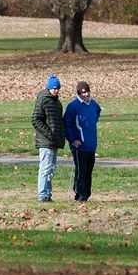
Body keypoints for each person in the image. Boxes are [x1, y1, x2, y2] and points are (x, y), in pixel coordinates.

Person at [63, 80, 101, 202]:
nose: (86, 95)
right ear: (78, 93)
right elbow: (67, 124)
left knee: (89, 170)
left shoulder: (94, 104)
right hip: (79, 145)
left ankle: (87, 194)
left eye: (87, 92)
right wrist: (73, 139)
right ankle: (80, 195)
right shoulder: (73, 106)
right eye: (83, 93)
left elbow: (96, 114)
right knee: (81, 171)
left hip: (91, 144)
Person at [31, 74, 65, 202]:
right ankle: (42, 195)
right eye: (53, 88)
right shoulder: (44, 100)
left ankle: (48, 195)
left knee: (51, 169)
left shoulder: (57, 102)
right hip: (46, 142)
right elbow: (35, 120)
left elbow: (58, 122)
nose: (56, 90)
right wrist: (49, 134)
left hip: (54, 141)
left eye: (57, 88)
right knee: (45, 169)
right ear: (48, 87)